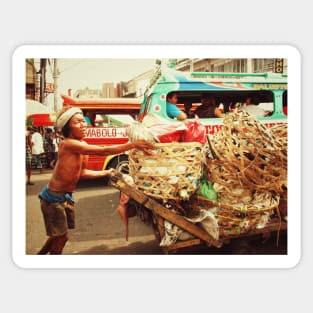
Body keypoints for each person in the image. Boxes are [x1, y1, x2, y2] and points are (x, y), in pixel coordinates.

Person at [37, 106, 154, 254]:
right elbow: (103, 151)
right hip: (53, 199)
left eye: (83, 121)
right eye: (77, 122)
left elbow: (82, 173)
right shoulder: (68, 144)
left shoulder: (82, 146)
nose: (83, 124)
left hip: (64, 198)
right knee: (61, 237)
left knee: (58, 236)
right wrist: (132, 144)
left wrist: (106, 172)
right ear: (67, 127)